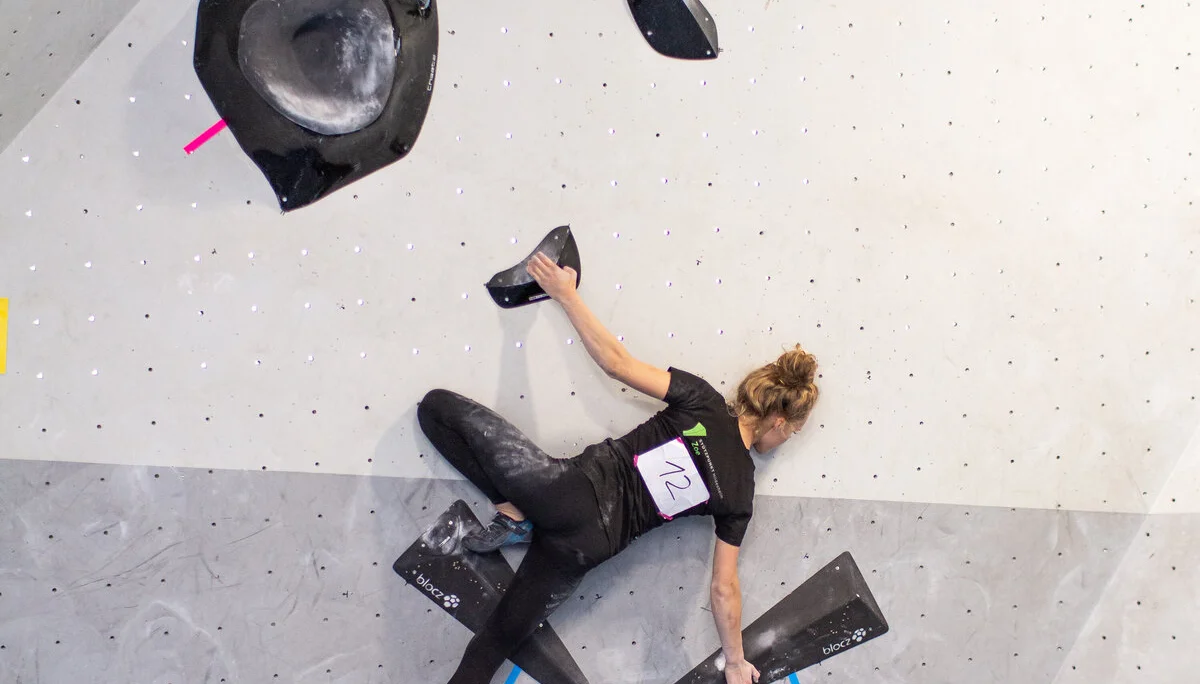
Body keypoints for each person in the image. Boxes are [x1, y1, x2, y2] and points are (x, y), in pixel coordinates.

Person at [417, 252, 819, 684]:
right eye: (792, 433)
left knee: (436, 408)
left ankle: (513, 511)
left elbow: (617, 363)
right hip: (586, 549)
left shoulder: (702, 400)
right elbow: (724, 588)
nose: (785, 440)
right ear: (779, 421)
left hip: (566, 494)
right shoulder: (740, 492)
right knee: (494, 643)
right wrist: (736, 662)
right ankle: (514, 514)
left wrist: (567, 295)